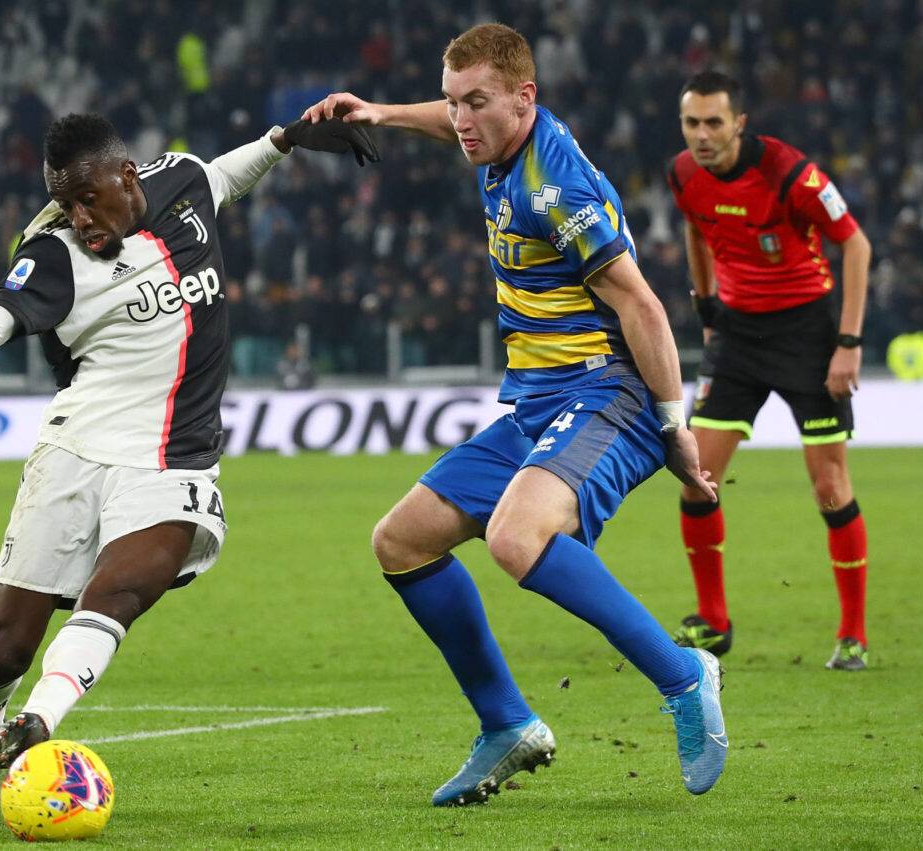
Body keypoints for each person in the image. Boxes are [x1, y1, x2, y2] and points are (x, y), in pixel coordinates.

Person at [303, 23, 727, 806]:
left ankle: (684, 674)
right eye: (453, 101)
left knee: (514, 535)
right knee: (401, 541)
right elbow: (452, 121)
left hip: (609, 392)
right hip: (538, 401)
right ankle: (506, 722)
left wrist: (676, 430)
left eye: (476, 104)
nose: (460, 120)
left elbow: (643, 307)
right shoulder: (498, 141)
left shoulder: (554, 189)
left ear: (524, 99)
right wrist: (381, 114)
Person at [0, 113, 377, 809]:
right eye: (65, 203)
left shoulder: (181, 181)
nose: (79, 217)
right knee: (6, 648)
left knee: (120, 593)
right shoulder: (55, 253)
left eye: (86, 199)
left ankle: (38, 724)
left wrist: (284, 141)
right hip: (77, 448)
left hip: (175, 461)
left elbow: (223, 177)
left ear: (126, 176)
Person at [665, 71, 873, 671]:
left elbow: (856, 245)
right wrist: (707, 309)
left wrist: (848, 343)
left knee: (829, 487)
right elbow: (696, 227)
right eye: (691, 123)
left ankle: (853, 633)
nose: (702, 135)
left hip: (808, 336)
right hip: (737, 336)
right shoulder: (682, 174)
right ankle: (714, 621)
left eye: (713, 123)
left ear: (739, 124)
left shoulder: (790, 174)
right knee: (696, 476)